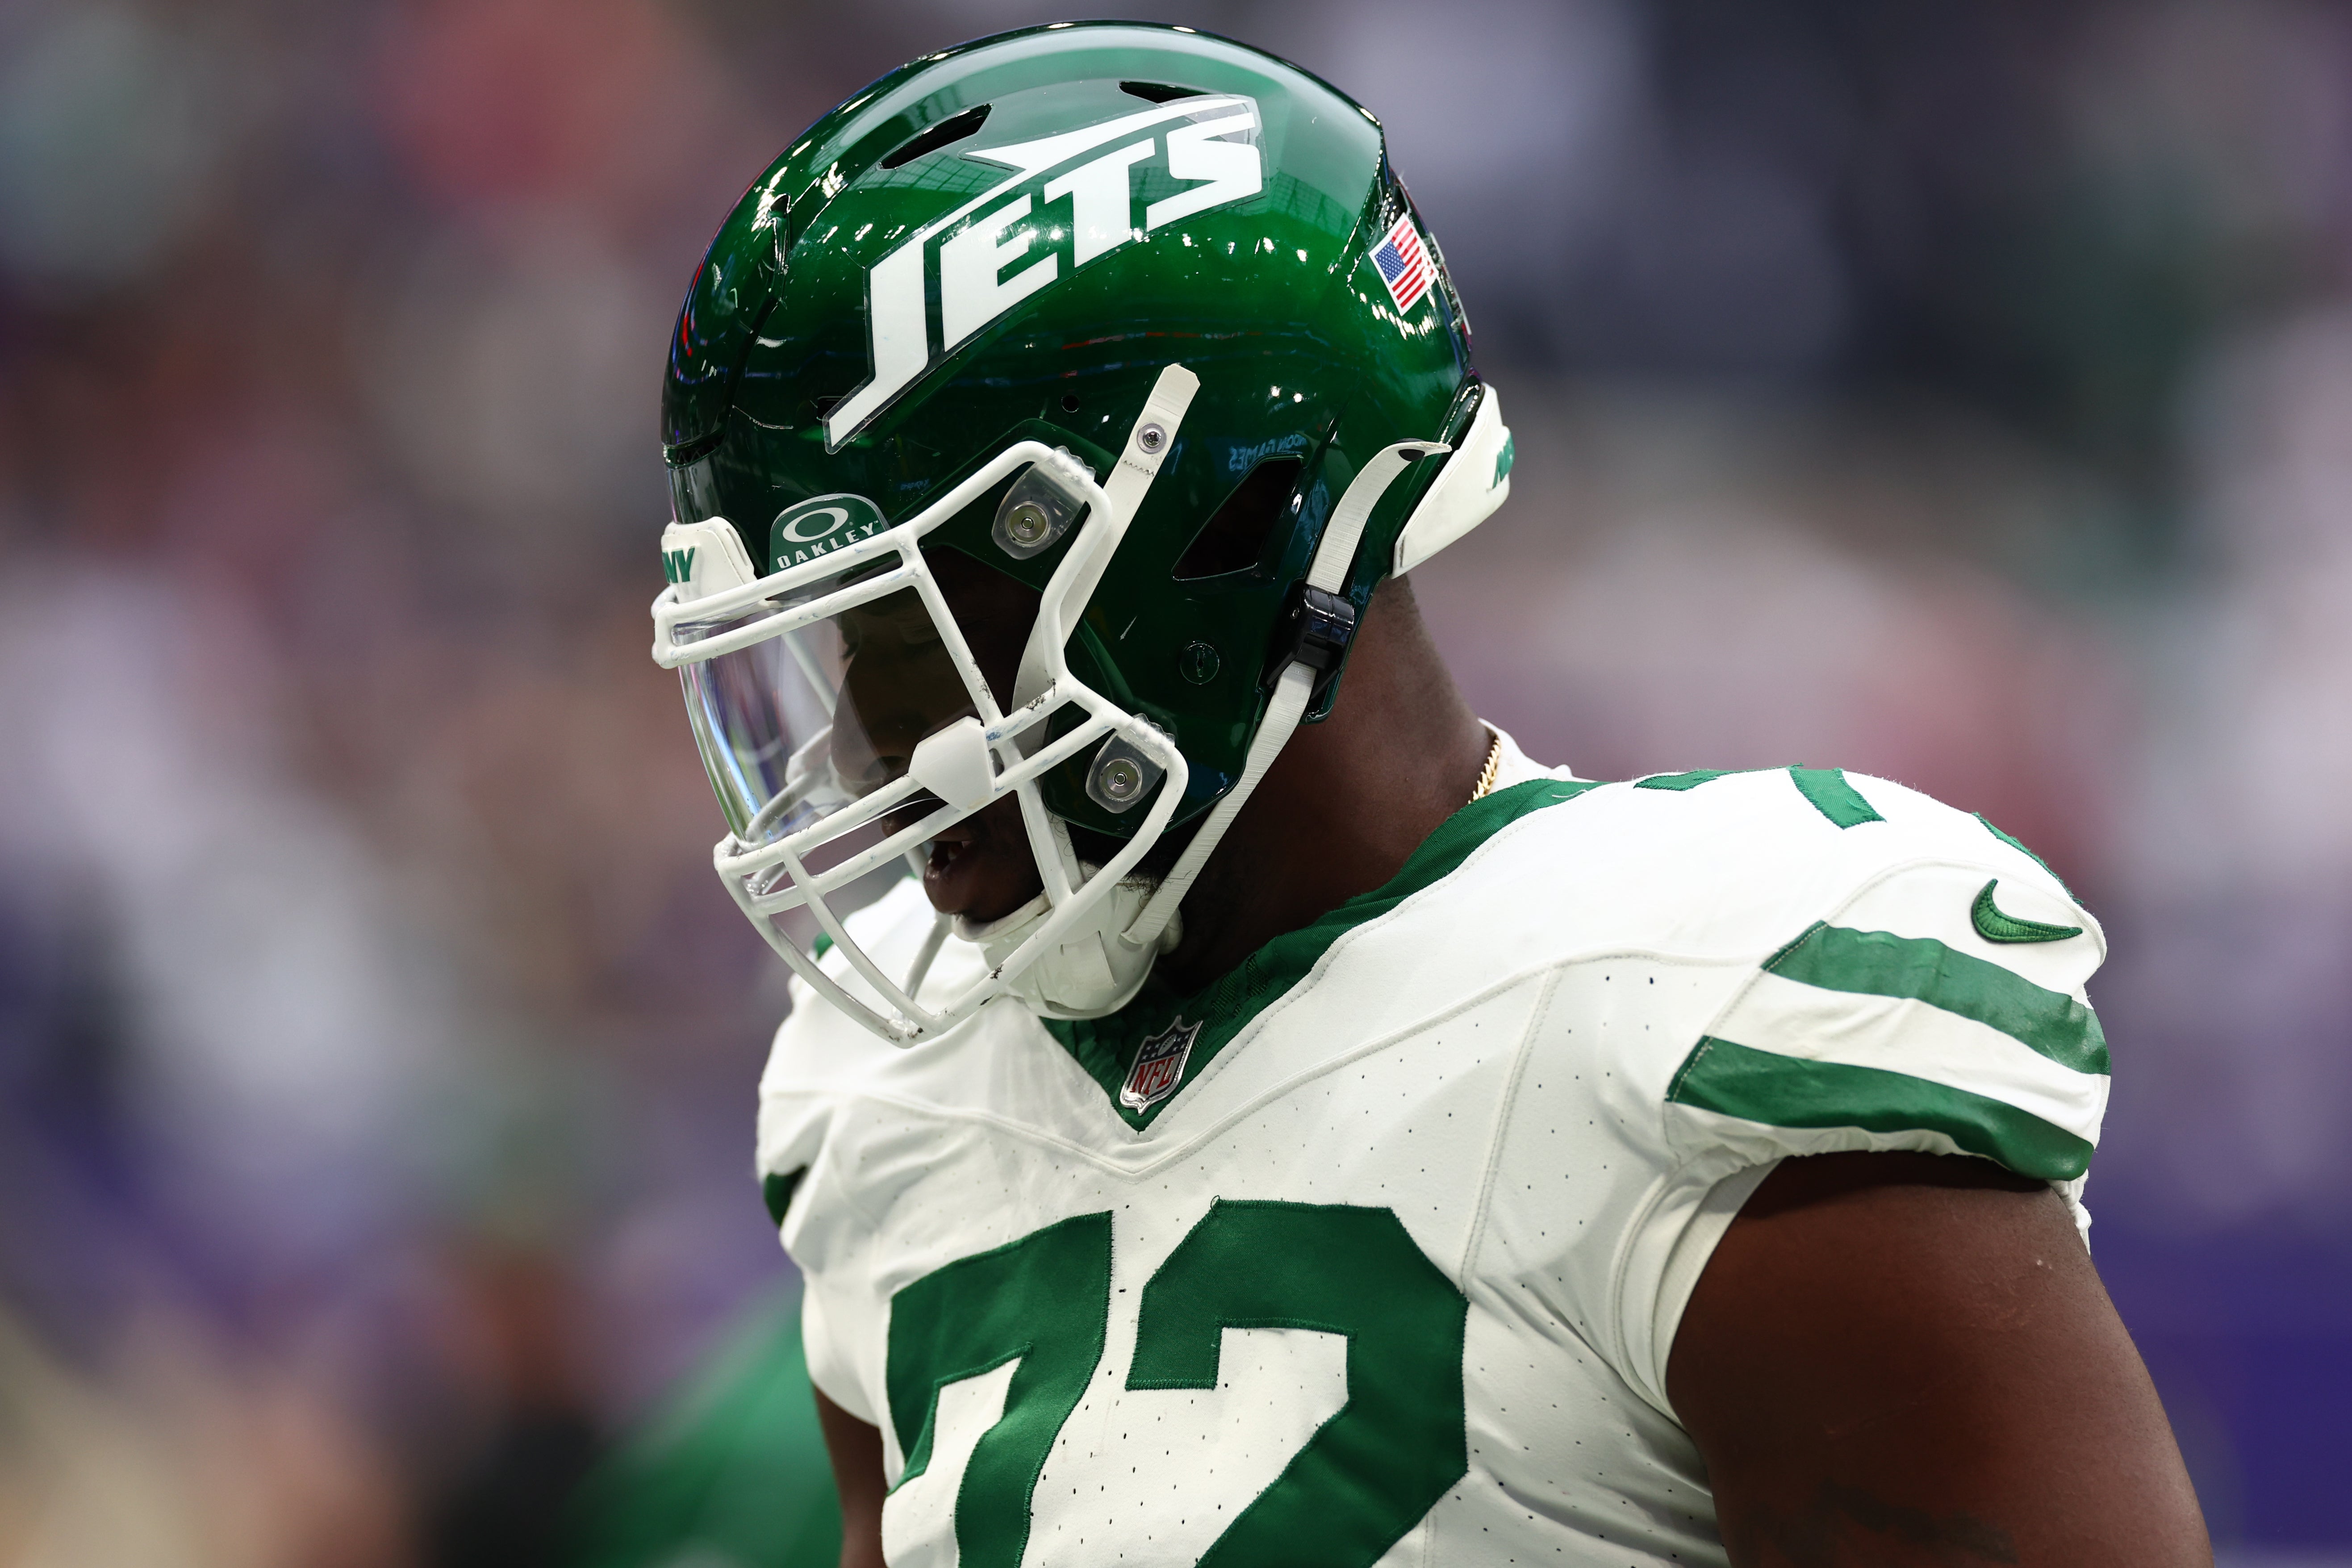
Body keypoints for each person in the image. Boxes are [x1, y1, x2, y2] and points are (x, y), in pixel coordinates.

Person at [648, 22, 2211, 1565]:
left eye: (905, 638)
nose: (863, 740)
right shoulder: (883, 1100)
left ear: (1207, 534)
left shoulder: (1696, 1006)